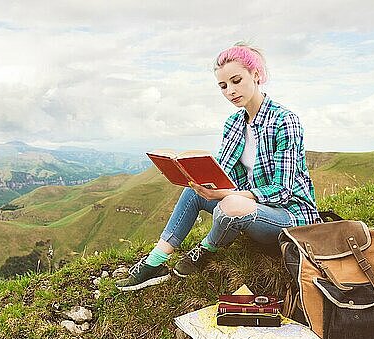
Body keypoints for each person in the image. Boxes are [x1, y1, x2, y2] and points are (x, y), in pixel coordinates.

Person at [116, 43, 320, 291]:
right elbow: (224, 175)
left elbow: (282, 191)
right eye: (223, 86)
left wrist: (229, 195)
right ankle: (154, 263)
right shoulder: (233, 123)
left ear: (256, 75)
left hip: (288, 216)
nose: (230, 91)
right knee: (194, 192)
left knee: (231, 204)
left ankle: (206, 249)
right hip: (247, 207)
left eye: (236, 81)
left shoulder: (284, 121)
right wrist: (201, 180)